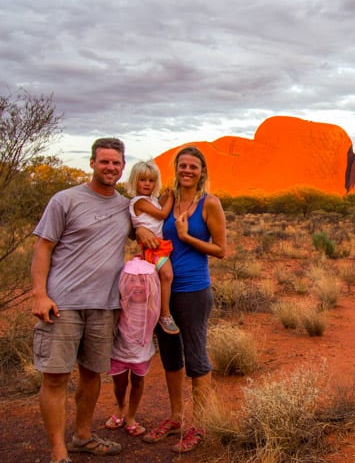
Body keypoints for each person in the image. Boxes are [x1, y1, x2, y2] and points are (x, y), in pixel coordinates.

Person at [31, 138, 130, 463]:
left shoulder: (125, 207)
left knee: (91, 374)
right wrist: (40, 294)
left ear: (123, 166)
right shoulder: (66, 200)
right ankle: (58, 452)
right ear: (92, 163)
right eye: (104, 161)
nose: (110, 167)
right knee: (57, 376)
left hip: (105, 306)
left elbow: (153, 224)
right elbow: (43, 247)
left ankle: (83, 436)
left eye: (116, 163)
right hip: (63, 304)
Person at [141, 146, 227, 453]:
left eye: (194, 166)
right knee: (170, 356)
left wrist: (187, 236)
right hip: (162, 290)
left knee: (196, 356)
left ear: (202, 171)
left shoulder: (210, 203)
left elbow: (221, 250)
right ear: (176, 169)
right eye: (183, 165)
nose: (187, 170)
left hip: (193, 290)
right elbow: (145, 224)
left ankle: (200, 424)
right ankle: (176, 418)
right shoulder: (168, 199)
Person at [102, 257, 160, 438]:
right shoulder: (120, 304)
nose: (137, 285)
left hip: (141, 350)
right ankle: (120, 408)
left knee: (138, 381)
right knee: (119, 384)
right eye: (132, 280)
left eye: (143, 281)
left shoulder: (152, 305)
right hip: (120, 349)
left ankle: (131, 416)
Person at [126, 160, 179, 334]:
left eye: (151, 180)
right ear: (135, 181)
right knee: (167, 275)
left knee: (158, 280)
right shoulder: (138, 201)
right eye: (143, 180)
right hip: (153, 246)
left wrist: (165, 195)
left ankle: (155, 313)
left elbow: (159, 205)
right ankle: (165, 314)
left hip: (157, 245)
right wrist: (171, 197)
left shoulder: (150, 200)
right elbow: (162, 213)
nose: (147, 184)